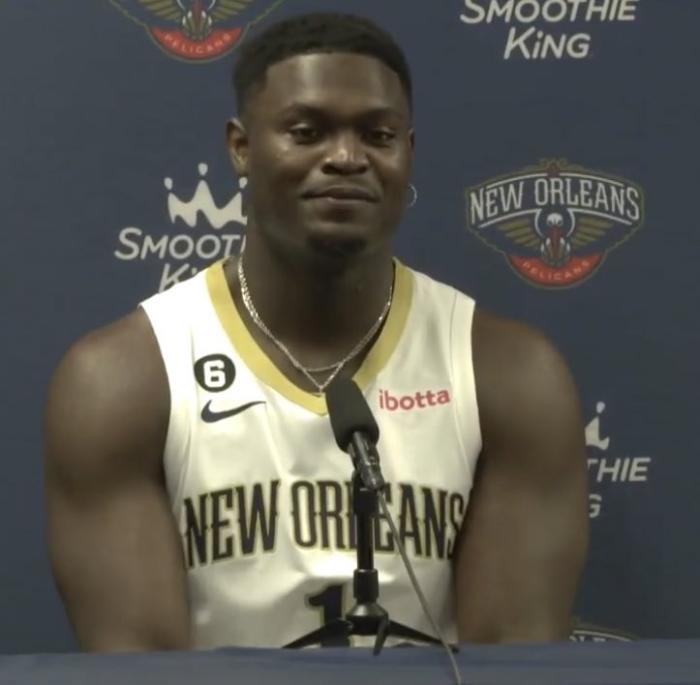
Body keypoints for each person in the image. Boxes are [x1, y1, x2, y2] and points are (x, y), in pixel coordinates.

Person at [43, 12, 588, 652]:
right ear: (241, 147)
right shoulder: (126, 378)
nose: (347, 158)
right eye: (307, 132)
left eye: (378, 135)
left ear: (408, 153)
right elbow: (139, 670)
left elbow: (512, 662)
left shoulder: (505, 373)